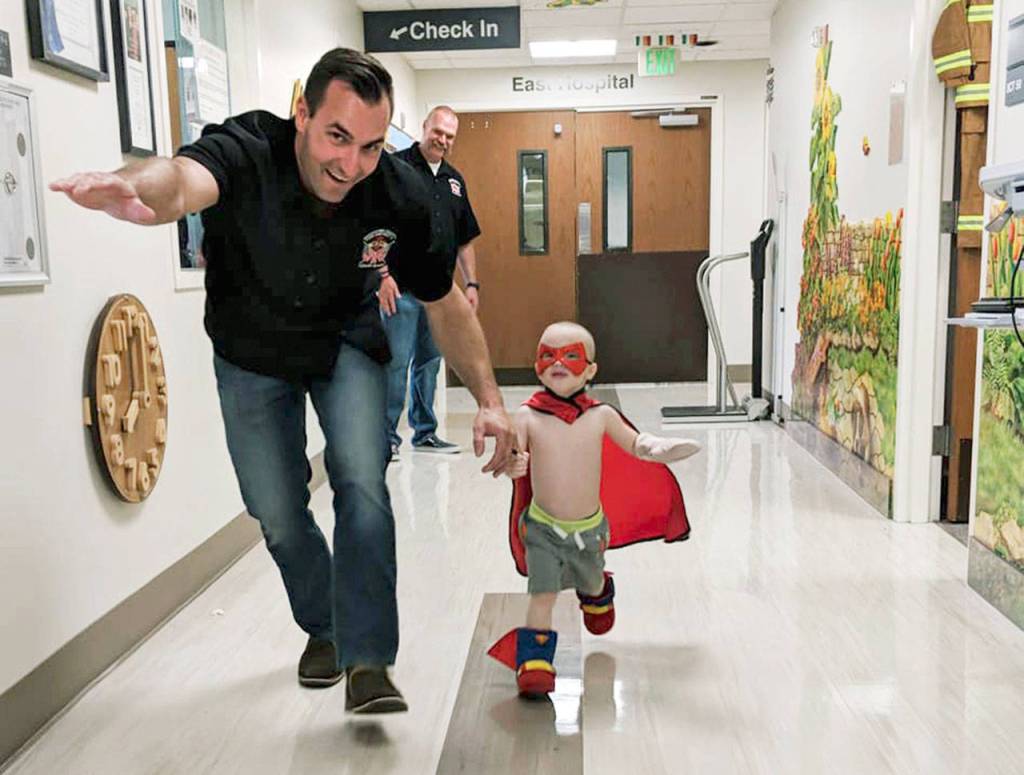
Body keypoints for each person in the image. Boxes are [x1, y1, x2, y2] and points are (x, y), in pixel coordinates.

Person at [50, 48, 517, 715]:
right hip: (251, 352)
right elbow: (181, 181)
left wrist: (493, 402)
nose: (350, 164)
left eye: (370, 146)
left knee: (361, 477)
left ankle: (365, 659)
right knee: (275, 507)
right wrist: (136, 188)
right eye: (336, 136)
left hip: (345, 344)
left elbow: (443, 302)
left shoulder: (399, 193)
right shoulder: (250, 148)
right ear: (301, 112)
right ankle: (323, 625)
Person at [487, 321, 699, 698]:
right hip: (541, 528)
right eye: (548, 355)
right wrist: (512, 465)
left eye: (571, 355)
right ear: (537, 365)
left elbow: (636, 445)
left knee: (589, 578)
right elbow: (515, 457)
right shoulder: (527, 416)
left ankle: (599, 591)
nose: (558, 363)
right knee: (543, 593)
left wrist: (659, 449)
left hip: (589, 530)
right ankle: (535, 662)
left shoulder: (601, 415)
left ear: (590, 370)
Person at [378, 106, 481, 459]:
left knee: (429, 363)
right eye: (438, 131)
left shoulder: (454, 181)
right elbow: (374, 225)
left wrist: (471, 285)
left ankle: (425, 433)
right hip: (401, 289)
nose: (443, 140)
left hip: (439, 293)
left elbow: (465, 238)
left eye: (450, 136)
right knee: (395, 363)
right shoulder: (394, 168)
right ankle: (386, 439)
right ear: (424, 128)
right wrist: (383, 276)